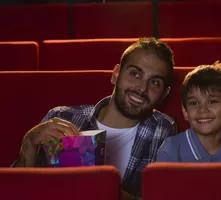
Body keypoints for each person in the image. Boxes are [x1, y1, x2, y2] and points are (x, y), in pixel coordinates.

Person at [13, 37, 177, 199]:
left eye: (155, 82)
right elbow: (15, 192)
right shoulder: (62, 116)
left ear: (164, 94)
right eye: (135, 74)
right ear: (116, 74)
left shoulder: (162, 128)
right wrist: (29, 144)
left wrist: (101, 187)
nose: (142, 88)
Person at [157, 62, 221, 162]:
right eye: (194, 103)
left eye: (212, 101)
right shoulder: (170, 149)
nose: (202, 109)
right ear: (185, 111)